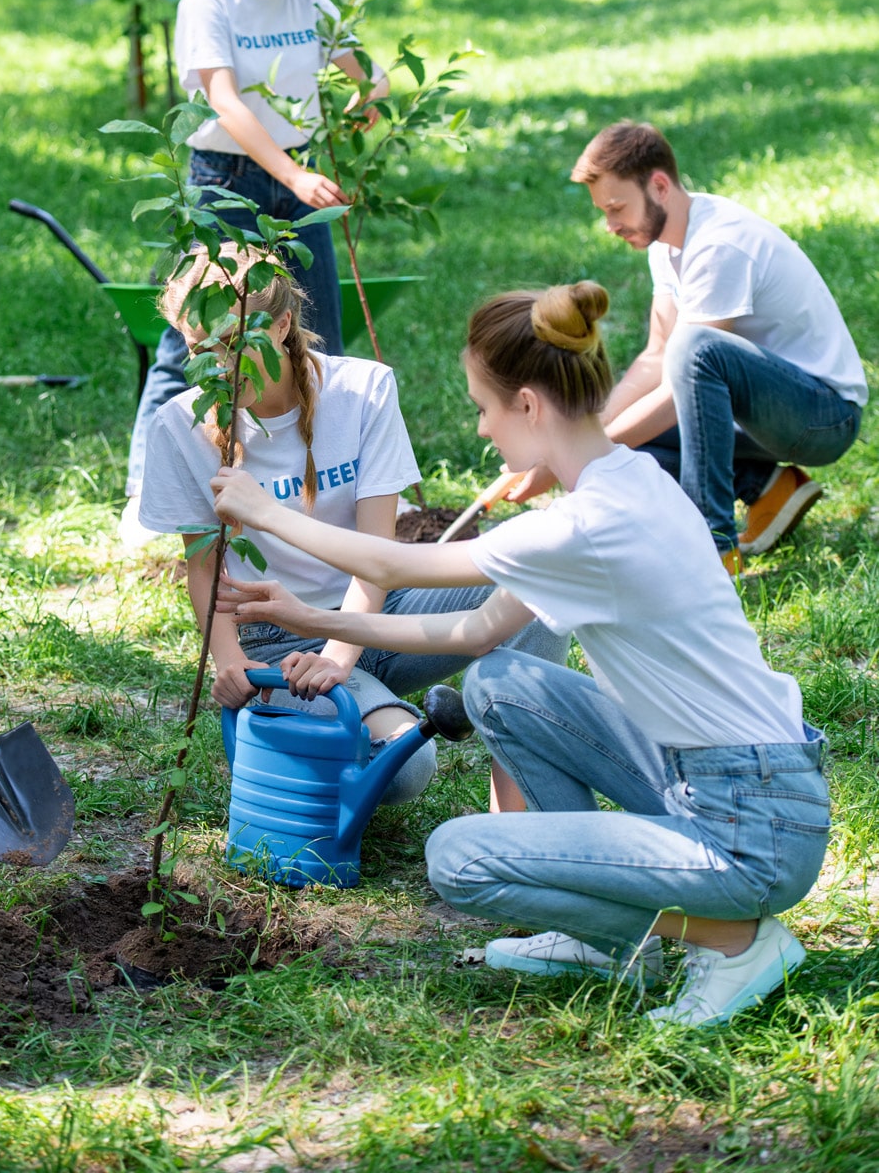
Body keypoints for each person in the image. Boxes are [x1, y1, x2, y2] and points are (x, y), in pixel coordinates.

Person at [211, 281, 829, 1030]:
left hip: (748, 828)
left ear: (530, 405)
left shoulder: (582, 527)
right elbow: (474, 637)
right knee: (501, 682)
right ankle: (600, 943)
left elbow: (397, 566)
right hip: (750, 783)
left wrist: (265, 510)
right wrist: (311, 616)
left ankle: (733, 940)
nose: (482, 428)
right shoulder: (631, 479)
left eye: (483, 406)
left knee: (460, 857)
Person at [138, 248, 567, 809]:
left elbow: (375, 556)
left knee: (536, 584)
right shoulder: (180, 426)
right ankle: (351, 717)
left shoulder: (364, 392)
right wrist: (230, 659)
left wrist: (340, 658)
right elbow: (204, 567)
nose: (217, 366)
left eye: (233, 343)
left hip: (380, 610)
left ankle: (516, 814)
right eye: (199, 351)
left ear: (282, 323)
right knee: (405, 768)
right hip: (280, 643)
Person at [121, 0, 383, 545]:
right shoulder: (211, 0)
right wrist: (293, 175)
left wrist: (363, 105)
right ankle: (148, 496)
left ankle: (319, 494)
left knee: (317, 330)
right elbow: (225, 101)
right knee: (200, 339)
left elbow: (369, 73)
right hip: (229, 179)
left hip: (298, 176)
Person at [528, 120, 866, 568]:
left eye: (617, 208)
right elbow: (655, 357)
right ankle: (766, 486)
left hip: (823, 416)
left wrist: (576, 454)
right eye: (603, 212)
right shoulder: (664, 243)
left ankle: (714, 548)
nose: (610, 225)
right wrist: (581, 436)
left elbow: (684, 374)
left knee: (696, 351)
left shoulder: (719, 244)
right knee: (626, 445)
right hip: (763, 416)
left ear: (660, 185)